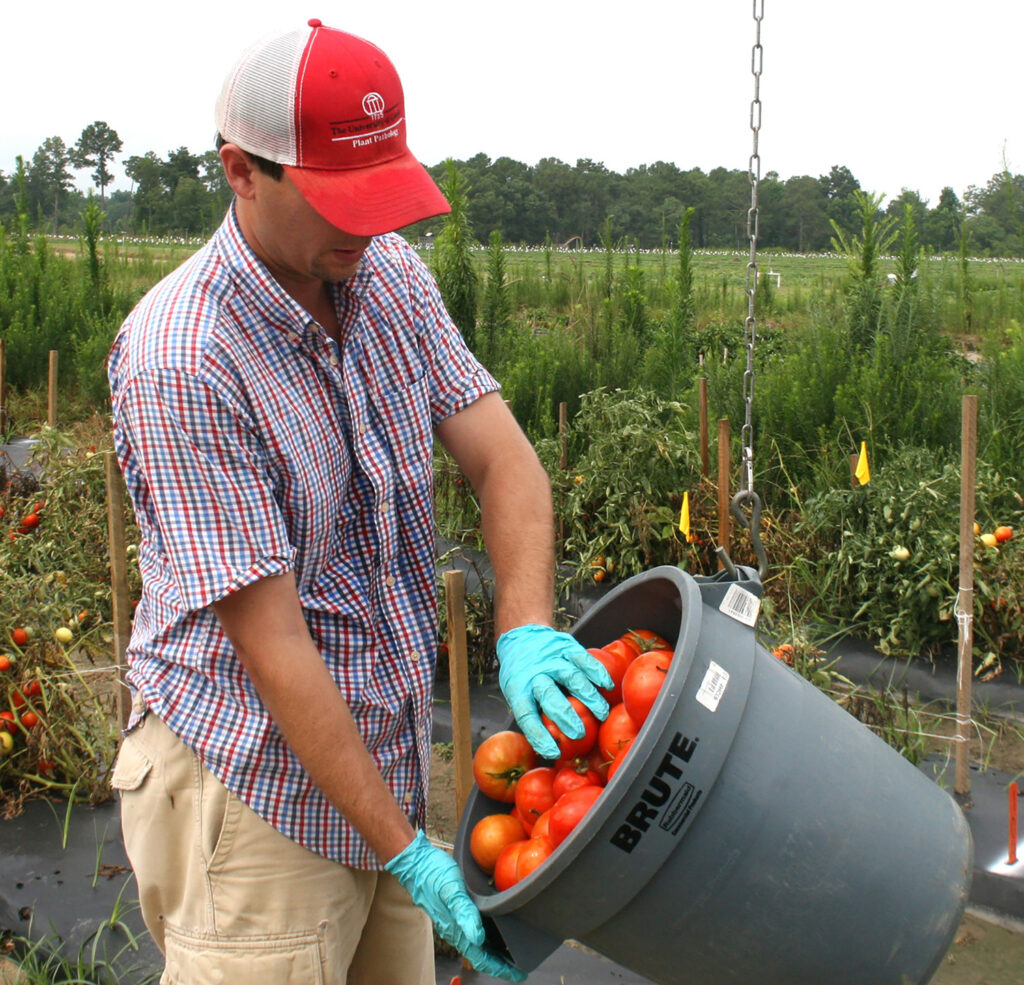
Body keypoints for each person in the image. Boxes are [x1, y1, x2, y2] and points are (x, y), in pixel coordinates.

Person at [107, 19, 612, 985]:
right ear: (241, 171)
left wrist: (527, 629)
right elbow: (275, 647)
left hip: (375, 761)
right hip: (249, 787)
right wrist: (412, 852)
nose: (369, 227)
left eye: (383, 195)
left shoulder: (388, 282)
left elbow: (506, 463)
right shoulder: (184, 359)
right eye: (341, 200)